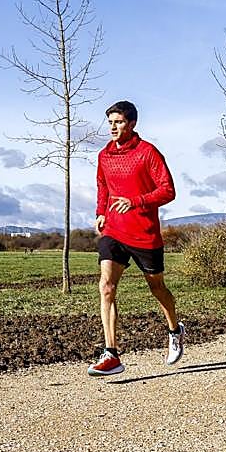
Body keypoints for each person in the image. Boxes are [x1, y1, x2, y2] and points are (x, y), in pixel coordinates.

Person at [87, 100, 183, 376]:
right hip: (113, 230)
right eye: (110, 123)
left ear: (132, 124)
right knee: (106, 287)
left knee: (157, 288)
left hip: (144, 233)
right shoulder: (104, 155)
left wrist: (136, 201)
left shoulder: (147, 153)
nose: (113, 128)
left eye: (118, 122)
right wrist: (101, 212)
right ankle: (111, 354)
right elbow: (102, 186)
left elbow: (168, 190)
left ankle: (175, 329)